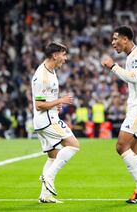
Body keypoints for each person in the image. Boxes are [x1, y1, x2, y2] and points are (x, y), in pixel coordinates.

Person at [101, 26, 137, 203]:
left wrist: (113, 67)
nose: (113, 42)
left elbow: (133, 77)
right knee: (132, 150)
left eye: (115, 39)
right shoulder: (131, 56)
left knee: (121, 146)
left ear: (125, 39)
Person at [31, 42, 80, 203]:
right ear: (55, 55)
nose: (65, 58)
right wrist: (60, 100)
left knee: (53, 157)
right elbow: (39, 105)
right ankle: (48, 177)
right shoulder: (43, 76)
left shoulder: (50, 71)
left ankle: (44, 196)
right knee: (73, 145)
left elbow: (45, 100)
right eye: (63, 54)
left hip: (45, 119)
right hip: (47, 120)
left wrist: (55, 103)